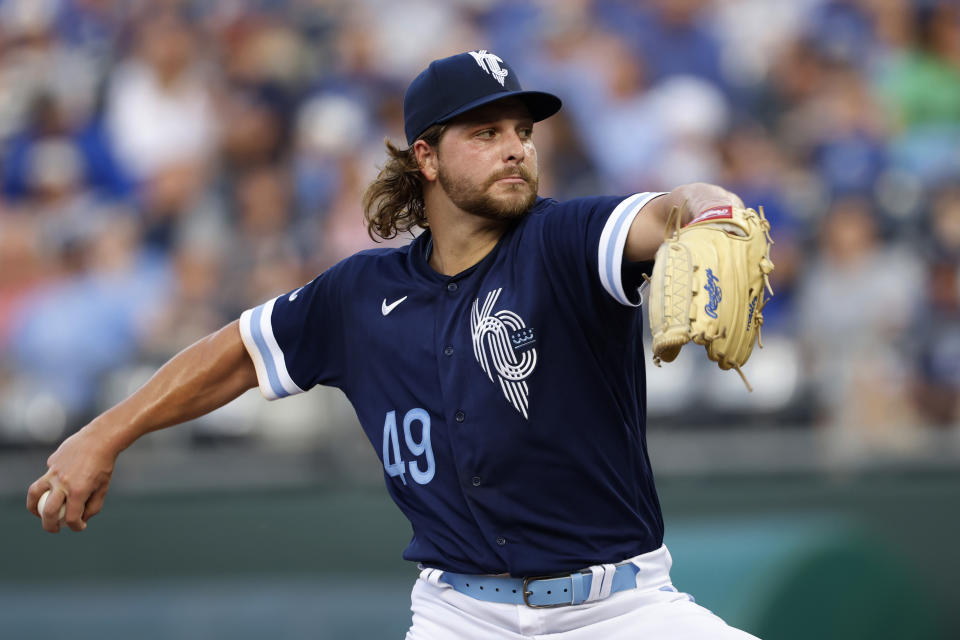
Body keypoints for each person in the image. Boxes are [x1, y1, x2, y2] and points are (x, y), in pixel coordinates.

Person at [28, 51, 759, 639]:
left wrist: (712, 210)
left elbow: (669, 208)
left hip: (620, 610)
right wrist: (104, 434)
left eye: (522, 133)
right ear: (427, 157)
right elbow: (238, 353)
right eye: (485, 133)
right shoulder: (356, 295)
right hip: (459, 616)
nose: (514, 150)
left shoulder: (564, 240)